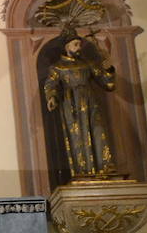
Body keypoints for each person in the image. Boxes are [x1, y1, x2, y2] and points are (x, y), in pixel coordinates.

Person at [43, 30, 117, 179]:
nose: (79, 47)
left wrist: (108, 68)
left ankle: (104, 166)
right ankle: (82, 170)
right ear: (67, 46)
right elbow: (51, 84)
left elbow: (107, 84)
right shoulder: (58, 67)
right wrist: (52, 97)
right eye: (75, 44)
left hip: (90, 102)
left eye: (79, 44)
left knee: (98, 131)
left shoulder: (87, 64)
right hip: (71, 105)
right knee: (77, 136)